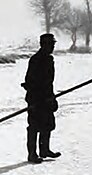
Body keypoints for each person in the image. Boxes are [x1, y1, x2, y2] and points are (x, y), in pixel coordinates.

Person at [22, 33, 61, 164]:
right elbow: (30, 81)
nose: (52, 47)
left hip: (47, 97)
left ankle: (44, 150)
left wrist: (51, 97)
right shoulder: (36, 60)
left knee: (47, 124)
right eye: (51, 44)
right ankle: (32, 154)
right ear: (43, 45)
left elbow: (48, 82)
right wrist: (37, 98)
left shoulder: (49, 59)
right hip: (36, 99)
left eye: (53, 44)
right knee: (34, 126)